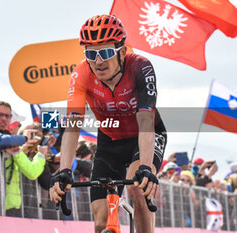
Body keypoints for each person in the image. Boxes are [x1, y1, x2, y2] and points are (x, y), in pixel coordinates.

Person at [49, 14, 166, 233]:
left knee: (137, 189)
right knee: (102, 222)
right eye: (91, 54)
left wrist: (145, 167)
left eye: (105, 53)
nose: (98, 61)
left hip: (143, 136)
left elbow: (146, 120)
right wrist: (64, 170)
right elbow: (73, 126)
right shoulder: (81, 74)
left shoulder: (140, 67)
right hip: (109, 140)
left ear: (122, 52)